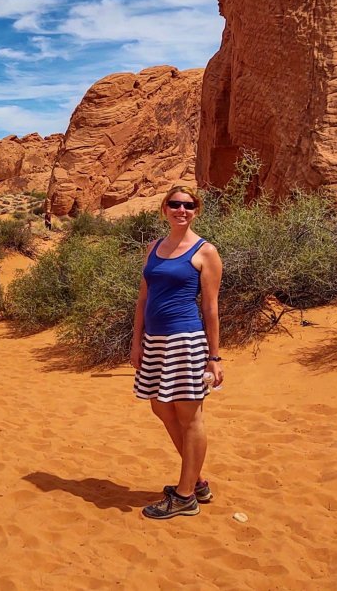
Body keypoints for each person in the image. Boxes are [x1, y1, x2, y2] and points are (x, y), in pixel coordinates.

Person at [132, 185, 224, 519]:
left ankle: (185, 496)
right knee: (161, 407)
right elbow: (143, 297)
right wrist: (136, 340)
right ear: (165, 209)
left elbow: (211, 308)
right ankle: (196, 480)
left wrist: (214, 358)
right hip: (155, 342)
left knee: (190, 416)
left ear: (196, 210)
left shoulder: (205, 252)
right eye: (174, 204)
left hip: (185, 341)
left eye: (188, 205)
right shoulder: (154, 247)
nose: (180, 210)